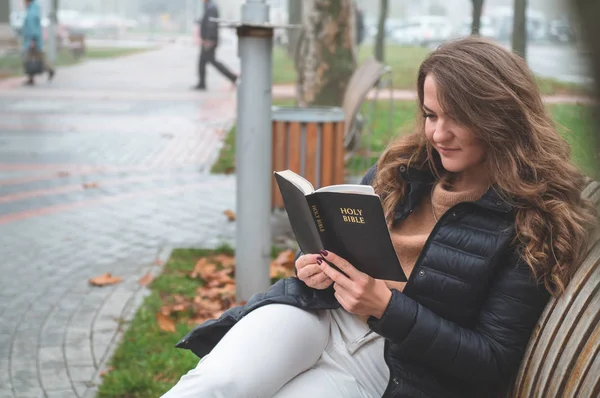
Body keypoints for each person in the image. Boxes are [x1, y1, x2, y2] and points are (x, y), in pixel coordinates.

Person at [163, 37, 597, 397]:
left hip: (393, 365)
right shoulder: (405, 167)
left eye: (458, 119)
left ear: (500, 117)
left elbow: (492, 361)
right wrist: (312, 262)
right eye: (430, 115)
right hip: (319, 310)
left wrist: (387, 308)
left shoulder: (531, 221)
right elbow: (335, 230)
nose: (437, 134)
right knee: (215, 385)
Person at [193, 0, 238, 90]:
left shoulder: (212, 7)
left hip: (210, 40)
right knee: (203, 62)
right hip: (208, 39)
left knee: (212, 61)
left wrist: (209, 39)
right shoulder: (208, 6)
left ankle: (232, 77)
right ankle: (202, 83)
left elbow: (211, 24)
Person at [21, 0, 55, 86]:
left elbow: (32, 26)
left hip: (32, 40)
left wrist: (33, 39)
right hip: (34, 39)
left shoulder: (32, 11)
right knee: (37, 58)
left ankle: (31, 78)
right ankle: (48, 71)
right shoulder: (34, 8)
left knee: (28, 58)